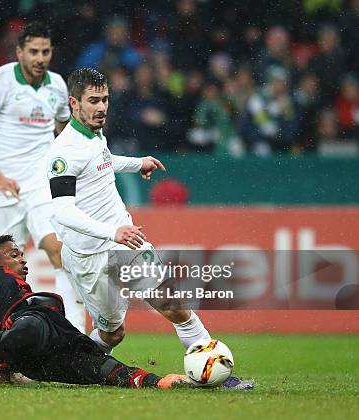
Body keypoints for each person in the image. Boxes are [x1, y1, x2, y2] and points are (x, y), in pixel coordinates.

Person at [0, 148, 188, 390]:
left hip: (39, 357)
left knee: (103, 370)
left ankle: (162, 382)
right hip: (28, 328)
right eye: (14, 254)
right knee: (30, 324)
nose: (23, 260)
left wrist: (6, 372)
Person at [45, 68, 253, 389]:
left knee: (173, 304)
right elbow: (62, 210)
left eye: (105, 100)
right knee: (113, 332)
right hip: (89, 257)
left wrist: (136, 161)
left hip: (126, 243)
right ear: (74, 103)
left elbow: (102, 160)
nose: (101, 108)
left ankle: (215, 371)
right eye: (93, 101)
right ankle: (75, 365)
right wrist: (110, 233)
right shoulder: (63, 152)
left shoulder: (95, 135)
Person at [0, 22, 85, 332]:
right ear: (19, 53)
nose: (40, 58)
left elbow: (64, 132)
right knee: (0, 272)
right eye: (33, 52)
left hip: (40, 184)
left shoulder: (57, 86)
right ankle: (3, 351)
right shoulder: (1, 82)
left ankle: (76, 338)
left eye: (45, 51)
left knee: (60, 250)